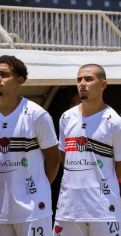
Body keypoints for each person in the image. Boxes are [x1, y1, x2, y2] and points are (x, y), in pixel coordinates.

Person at [53, 64, 121, 236]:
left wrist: (97, 182)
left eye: (88, 79)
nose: (82, 83)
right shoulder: (66, 118)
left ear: (103, 84)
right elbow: (63, 157)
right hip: (68, 209)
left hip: (103, 209)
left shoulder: (115, 123)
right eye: (79, 79)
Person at [0, 55, 61, 236]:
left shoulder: (37, 115)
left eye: (3, 75)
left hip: (33, 209)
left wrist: (39, 186)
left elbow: (53, 158)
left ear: (20, 80)